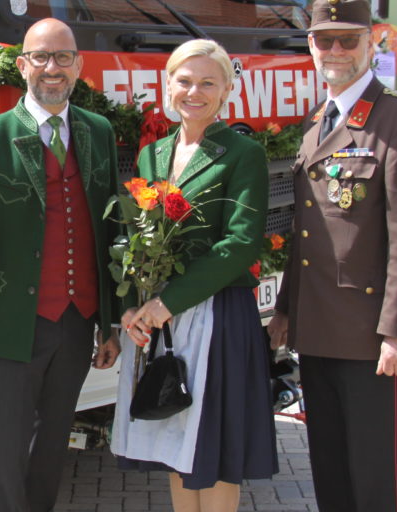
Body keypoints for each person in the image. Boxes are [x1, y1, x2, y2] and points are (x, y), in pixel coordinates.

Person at [267, 0, 397, 512]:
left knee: (375, 477)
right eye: (325, 40)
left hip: (370, 339)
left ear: (371, 44)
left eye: (349, 40)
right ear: (311, 46)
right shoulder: (317, 119)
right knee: (331, 470)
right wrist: (286, 311)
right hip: (317, 331)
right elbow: (307, 232)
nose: (336, 50)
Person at [0, 18, 122, 512]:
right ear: (22, 65)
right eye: (41, 57)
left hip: (76, 321)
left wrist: (107, 324)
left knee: (52, 449)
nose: (52, 68)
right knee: (6, 454)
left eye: (63, 57)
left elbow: (107, 231)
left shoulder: (99, 132)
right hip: (9, 326)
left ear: (79, 66)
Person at [113, 39, 278, 511]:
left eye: (208, 82)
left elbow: (241, 243)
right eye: (184, 81)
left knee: (216, 449)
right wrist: (139, 303)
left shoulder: (242, 153)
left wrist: (167, 301)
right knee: (176, 445)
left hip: (217, 314)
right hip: (163, 316)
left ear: (227, 90)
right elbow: (139, 237)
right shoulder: (153, 155)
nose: (194, 92)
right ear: (168, 85)